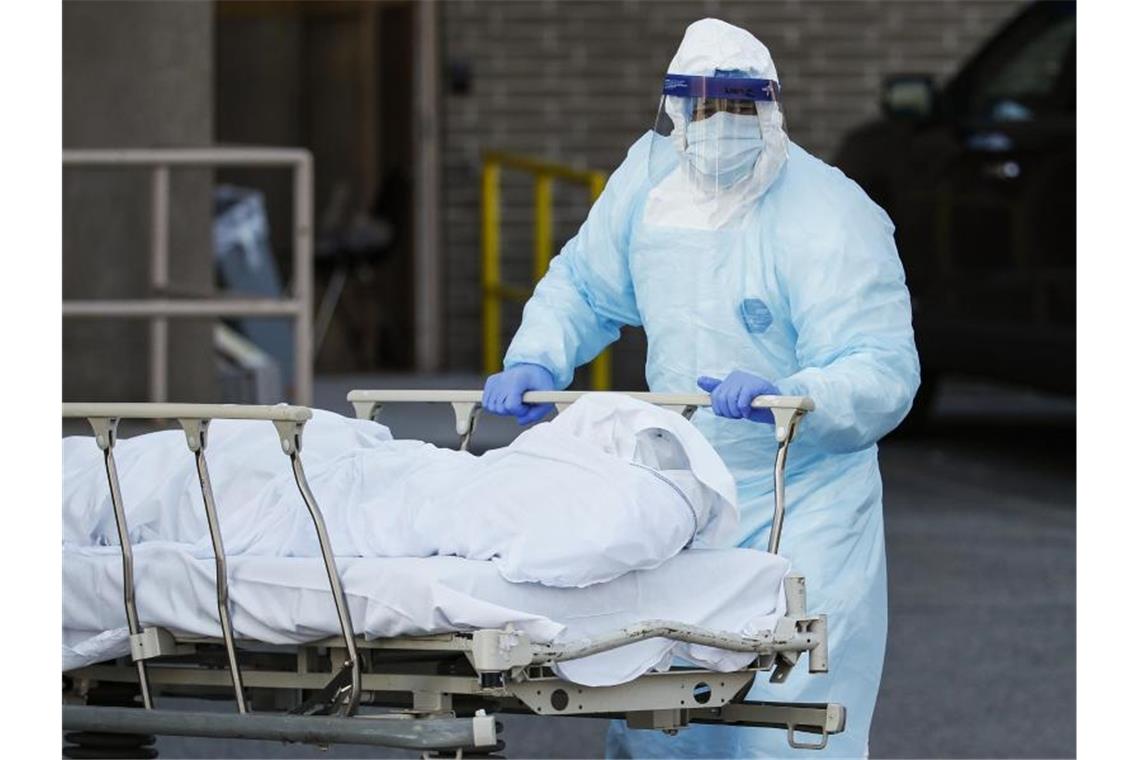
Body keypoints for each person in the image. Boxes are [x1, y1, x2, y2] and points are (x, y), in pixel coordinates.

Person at [481, 17, 920, 759]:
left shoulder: (828, 214)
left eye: (741, 106)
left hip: (803, 502)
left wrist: (793, 395)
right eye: (705, 106)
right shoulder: (647, 187)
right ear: (674, 113)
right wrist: (538, 358)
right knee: (665, 713)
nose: (723, 125)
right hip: (680, 498)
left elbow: (881, 367)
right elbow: (585, 286)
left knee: (791, 718)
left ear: (772, 110)